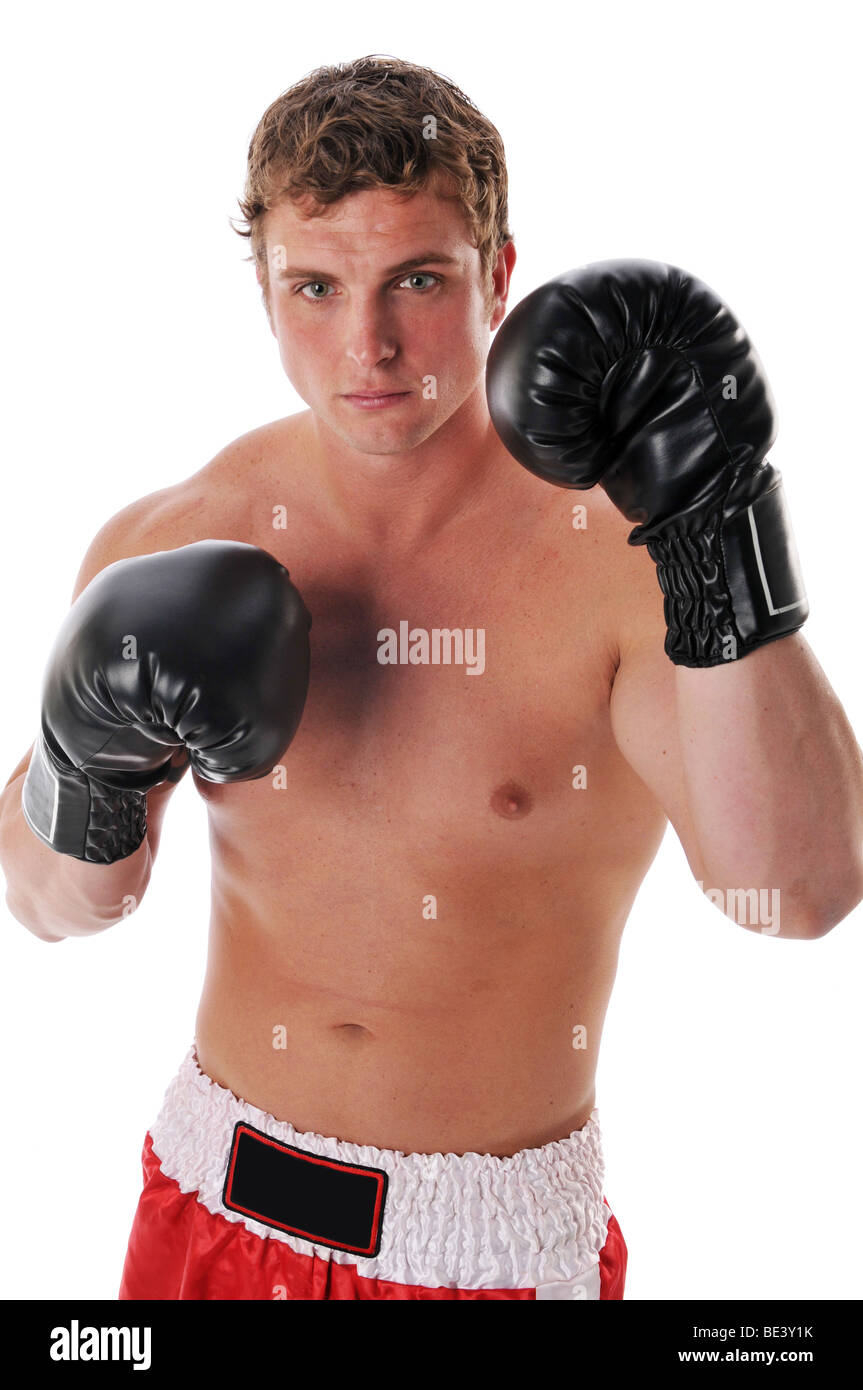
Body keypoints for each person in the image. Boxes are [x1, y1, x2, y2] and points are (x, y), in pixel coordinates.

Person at [2, 54, 861, 1302]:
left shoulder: (616, 566)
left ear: (497, 276)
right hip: (203, 1204)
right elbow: (49, 904)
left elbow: (796, 892)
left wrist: (713, 530)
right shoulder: (173, 535)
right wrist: (82, 766)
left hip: (487, 1259)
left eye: (417, 278)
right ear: (263, 291)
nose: (370, 344)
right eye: (316, 286)